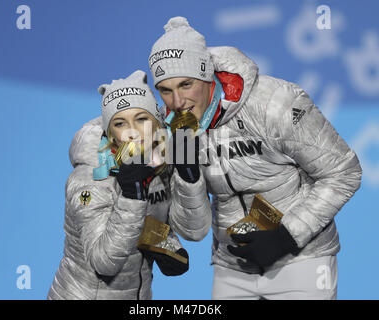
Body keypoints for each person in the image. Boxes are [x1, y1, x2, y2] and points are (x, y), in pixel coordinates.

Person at [149, 17, 362, 300]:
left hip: (303, 260)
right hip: (232, 266)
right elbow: (194, 230)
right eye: (165, 89)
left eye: (186, 84)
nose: (177, 102)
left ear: (206, 75)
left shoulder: (274, 102)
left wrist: (286, 237)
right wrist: (189, 177)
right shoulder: (174, 130)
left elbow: (344, 171)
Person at [47, 70, 188, 300]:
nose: (133, 133)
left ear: (157, 122)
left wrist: (168, 243)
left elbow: (154, 220)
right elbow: (103, 261)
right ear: (110, 132)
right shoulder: (89, 179)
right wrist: (132, 195)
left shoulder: (157, 161)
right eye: (121, 123)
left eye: (141, 119)